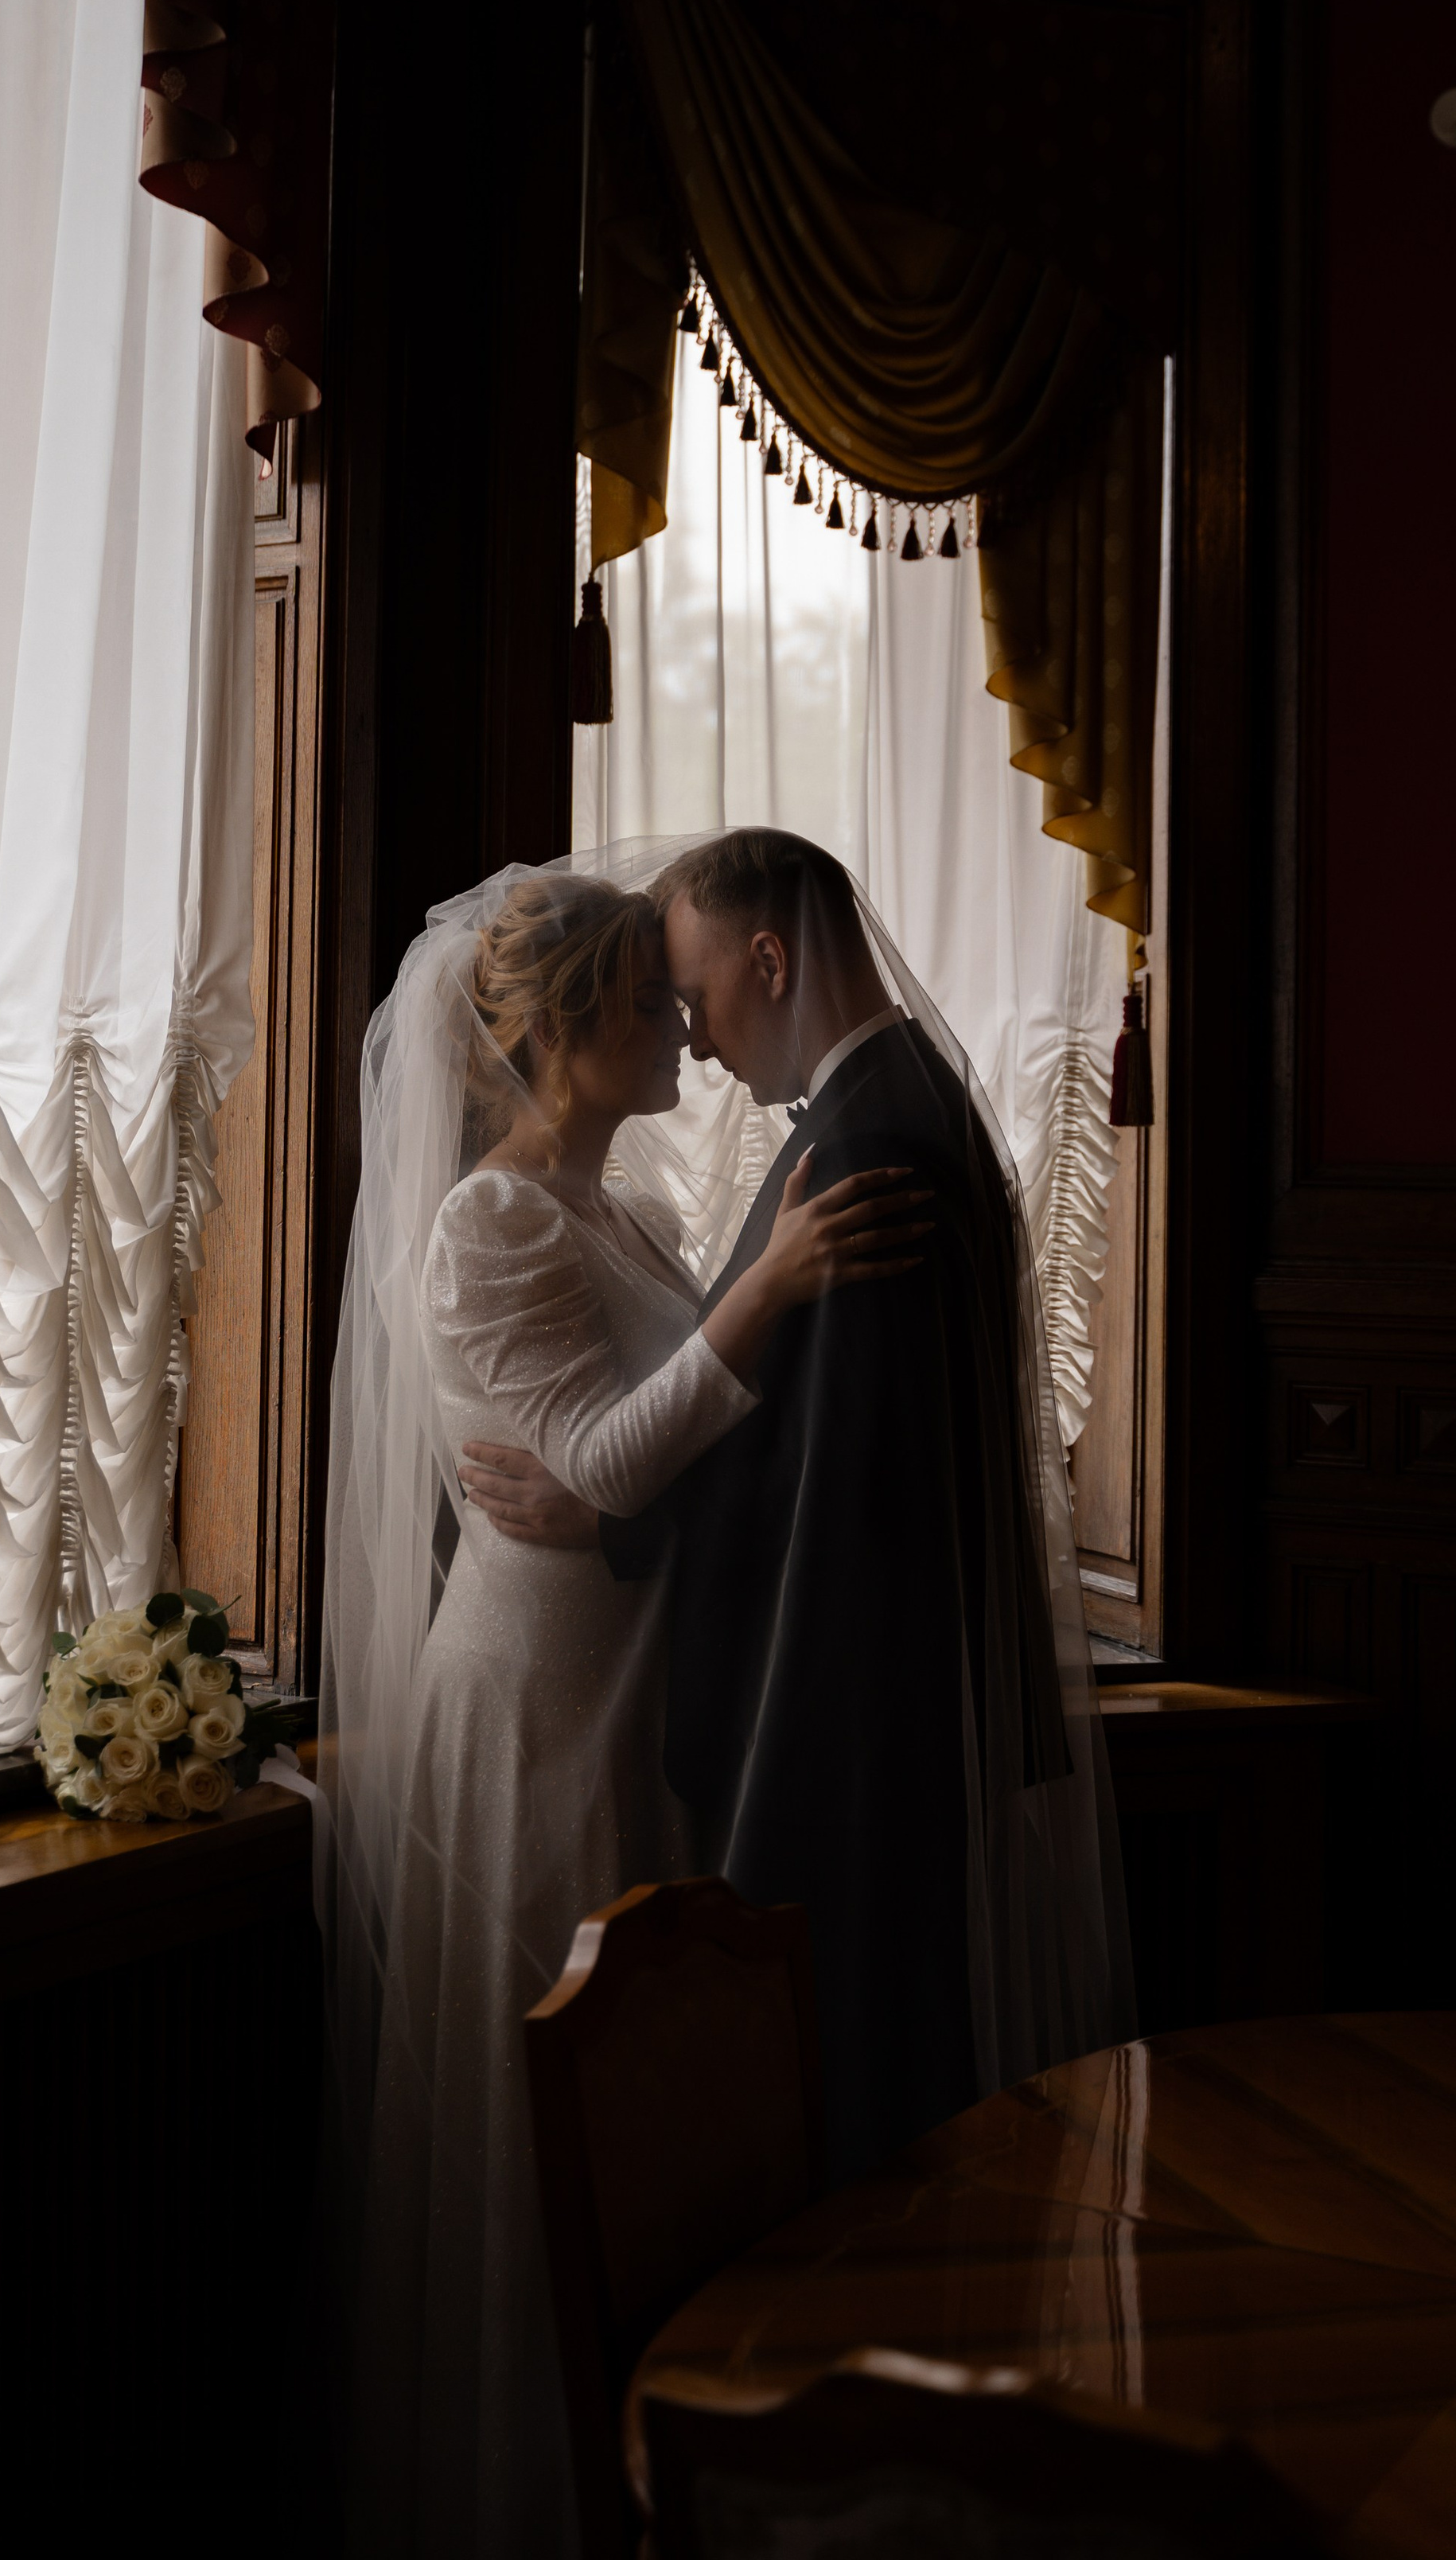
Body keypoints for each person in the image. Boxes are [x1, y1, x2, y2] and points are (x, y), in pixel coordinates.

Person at [318, 865, 927, 2558]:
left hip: (638, 1694)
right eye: (646, 1002)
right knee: (550, 2133)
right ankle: (529, 2500)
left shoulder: (631, 1218)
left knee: (654, 2112)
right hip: (530, 1711)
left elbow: (644, 1465)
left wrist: (704, 1362)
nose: (679, 1021)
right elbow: (595, 1457)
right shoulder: (489, 1221)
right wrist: (771, 1286)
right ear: (566, 1028)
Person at [462, 828, 1135, 2185]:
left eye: (693, 995)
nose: (693, 1038)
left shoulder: (864, 1144)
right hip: (834, 1705)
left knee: (860, 2131)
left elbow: (835, 1471)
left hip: (841, 1720)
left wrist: (613, 1519)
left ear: (769, 959)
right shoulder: (887, 1107)